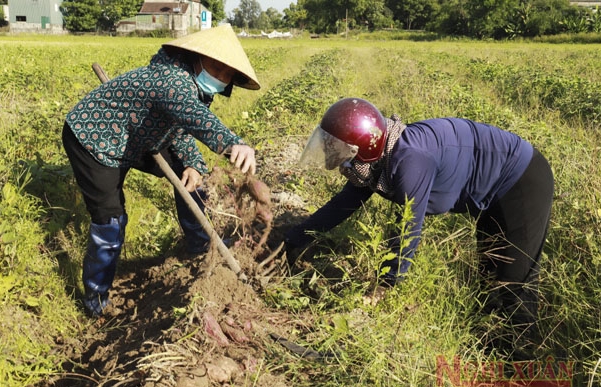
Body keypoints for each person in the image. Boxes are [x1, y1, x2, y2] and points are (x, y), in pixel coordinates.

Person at [285, 97, 553, 334]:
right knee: (489, 274)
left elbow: (408, 228)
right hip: (495, 185)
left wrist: (383, 286)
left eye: (340, 152)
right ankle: (492, 345)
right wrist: (293, 239)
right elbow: (342, 206)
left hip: (522, 178)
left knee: (513, 283)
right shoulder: (376, 158)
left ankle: (520, 368)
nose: (337, 162)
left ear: (362, 149)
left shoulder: (410, 160)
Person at [63, 25, 260, 316]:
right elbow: (189, 113)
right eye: (217, 67)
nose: (221, 77)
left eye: (228, 74)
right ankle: (96, 300)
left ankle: (199, 242)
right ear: (197, 57)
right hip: (96, 139)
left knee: (192, 175)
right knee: (111, 221)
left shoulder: (192, 83)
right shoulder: (169, 80)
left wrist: (193, 162)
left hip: (138, 135)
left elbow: (178, 126)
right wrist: (233, 143)